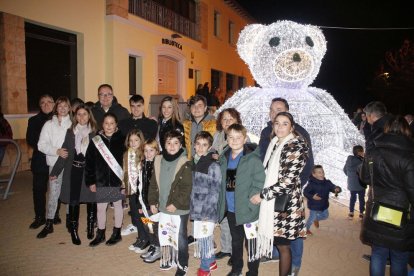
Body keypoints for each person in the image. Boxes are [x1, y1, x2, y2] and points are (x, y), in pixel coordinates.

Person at [258, 98, 313, 272]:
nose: (280, 127)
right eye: (277, 123)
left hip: (286, 201)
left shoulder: (296, 144)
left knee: (285, 245)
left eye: (284, 123)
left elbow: (289, 180)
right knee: (282, 242)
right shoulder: (276, 142)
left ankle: (293, 267)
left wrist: (262, 194)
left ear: (292, 126)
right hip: (275, 197)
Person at [359, 116, 414, 276]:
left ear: (386, 129)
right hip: (403, 215)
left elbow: (364, 178)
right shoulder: (410, 155)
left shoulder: (374, 150)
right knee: (398, 257)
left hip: (377, 210)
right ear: (406, 130)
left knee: (378, 253)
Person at [218, 123, 265, 276]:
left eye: (238, 137)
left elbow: (259, 180)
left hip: (248, 208)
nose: (234, 140)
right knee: (236, 241)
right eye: (231, 137)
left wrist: (255, 195)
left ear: (245, 139)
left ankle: (253, 271)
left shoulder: (252, 159)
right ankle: (236, 268)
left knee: (251, 242)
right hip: (231, 209)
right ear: (227, 139)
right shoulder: (224, 157)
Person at [49, 104, 97, 245]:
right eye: (79, 114)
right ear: (75, 116)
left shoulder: (95, 134)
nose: (82, 117)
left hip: (89, 172)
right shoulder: (70, 132)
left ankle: (90, 227)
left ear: (89, 116)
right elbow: (64, 153)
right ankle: (74, 231)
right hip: (74, 171)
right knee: (74, 200)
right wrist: (55, 171)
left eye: (85, 114)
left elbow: (99, 157)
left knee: (91, 198)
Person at [148, 130, 192, 276]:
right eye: (168, 143)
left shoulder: (185, 163)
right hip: (163, 206)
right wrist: (153, 201)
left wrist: (176, 203)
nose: (172, 146)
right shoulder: (158, 160)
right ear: (164, 145)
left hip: (179, 208)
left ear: (181, 145)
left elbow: (186, 188)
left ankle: (183, 263)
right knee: (166, 234)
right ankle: (170, 259)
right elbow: (154, 183)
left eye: (176, 143)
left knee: (180, 237)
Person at [85, 113, 126, 247]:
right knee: (101, 208)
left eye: (112, 123)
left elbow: (127, 161)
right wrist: (91, 181)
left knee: (118, 206)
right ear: (102, 125)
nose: (109, 126)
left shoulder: (122, 140)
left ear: (116, 125)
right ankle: (101, 233)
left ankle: (117, 233)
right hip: (101, 180)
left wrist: (126, 181)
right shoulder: (96, 141)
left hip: (117, 180)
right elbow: (89, 162)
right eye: (106, 123)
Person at [212, 108, 245, 265]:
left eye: (230, 119)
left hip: (233, 182)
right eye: (224, 119)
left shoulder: (240, 138)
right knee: (223, 216)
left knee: (234, 221)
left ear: (237, 121)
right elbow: (212, 150)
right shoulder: (218, 135)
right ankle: (226, 248)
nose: (226, 122)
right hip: (219, 180)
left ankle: (235, 252)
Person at [36, 96, 72, 239]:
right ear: (56, 108)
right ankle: (49, 223)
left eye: (65, 106)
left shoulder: (73, 124)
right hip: (54, 163)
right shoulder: (48, 125)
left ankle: (71, 220)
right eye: (60, 106)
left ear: (69, 108)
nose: (62, 108)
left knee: (69, 192)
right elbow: (41, 144)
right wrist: (56, 151)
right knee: (53, 194)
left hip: (69, 165)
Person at [190, 131, 221, 276]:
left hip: (207, 210)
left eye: (204, 145)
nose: (200, 148)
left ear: (209, 147)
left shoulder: (212, 165)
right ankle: (212, 261)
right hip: (196, 207)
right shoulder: (194, 162)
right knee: (205, 236)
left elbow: (215, 191)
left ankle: (205, 268)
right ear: (194, 145)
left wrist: (209, 213)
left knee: (204, 238)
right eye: (198, 144)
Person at [26, 95, 55, 229]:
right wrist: (48, 147)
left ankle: (54, 215)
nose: (46, 104)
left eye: (49, 102)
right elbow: (31, 140)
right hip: (40, 159)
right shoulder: (33, 120)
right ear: (39, 105)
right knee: (39, 190)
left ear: (54, 104)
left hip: (57, 159)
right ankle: (39, 217)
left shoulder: (60, 119)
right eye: (42, 102)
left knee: (56, 189)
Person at [121, 129, 146, 251]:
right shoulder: (126, 154)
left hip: (141, 189)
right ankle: (141, 236)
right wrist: (124, 185)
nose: (133, 143)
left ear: (141, 141)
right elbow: (125, 171)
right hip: (131, 189)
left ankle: (147, 237)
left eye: (136, 140)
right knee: (135, 213)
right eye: (130, 140)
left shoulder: (144, 154)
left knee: (143, 214)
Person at [139, 139, 161, 263]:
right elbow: (140, 185)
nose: (148, 153)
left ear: (157, 151)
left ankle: (158, 247)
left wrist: (155, 202)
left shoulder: (158, 165)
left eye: (151, 150)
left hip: (154, 203)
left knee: (155, 226)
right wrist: (139, 203)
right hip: (144, 202)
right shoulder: (142, 164)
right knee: (147, 225)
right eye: (146, 151)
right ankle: (153, 244)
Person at [303, 165, 342, 235]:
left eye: (322, 172)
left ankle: (316, 219)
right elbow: (305, 192)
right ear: (314, 175)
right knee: (311, 219)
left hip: (324, 204)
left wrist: (337, 189)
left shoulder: (327, 182)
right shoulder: (311, 184)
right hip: (314, 206)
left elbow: (333, 187)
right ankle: (306, 229)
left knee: (325, 216)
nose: (322, 174)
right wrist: (312, 196)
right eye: (319, 172)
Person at [183, 95, 216, 159]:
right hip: (190, 161)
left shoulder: (214, 124)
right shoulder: (185, 124)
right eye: (193, 106)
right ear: (190, 108)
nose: (196, 108)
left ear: (205, 108)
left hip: (207, 161)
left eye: (199, 106)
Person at [343, 145, 365, 220]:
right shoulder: (362, 161)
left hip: (352, 184)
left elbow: (345, 170)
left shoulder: (349, 160)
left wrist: (351, 177)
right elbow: (365, 173)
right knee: (361, 199)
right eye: (363, 151)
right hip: (361, 184)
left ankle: (351, 213)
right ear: (359, 152)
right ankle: (361, 213)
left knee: (352, 198)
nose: (364, 153)